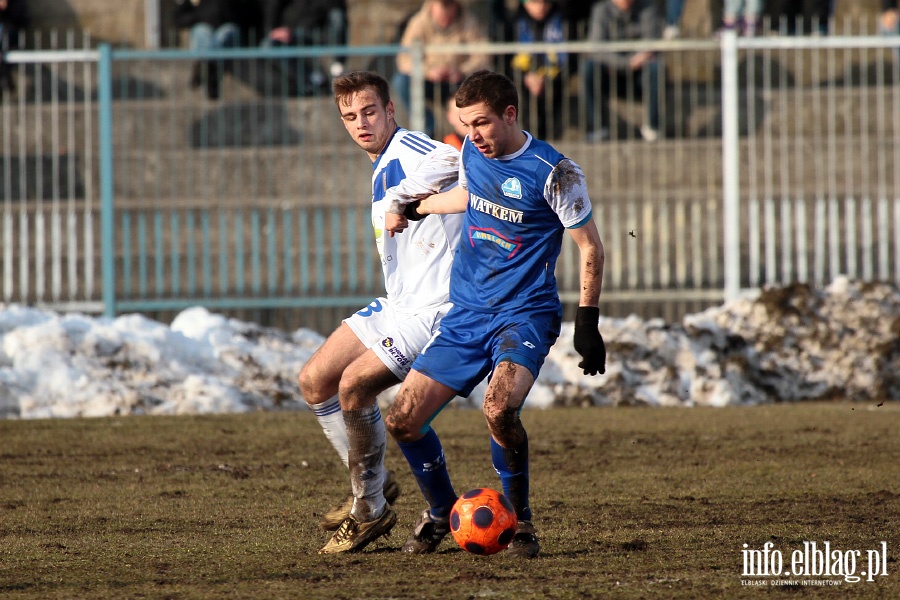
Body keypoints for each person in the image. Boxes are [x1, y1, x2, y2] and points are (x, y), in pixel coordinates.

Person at [382, 69, 607, 558]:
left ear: (510, 113)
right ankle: (441, 511)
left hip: (524, 315)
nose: (473, 135)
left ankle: (521, 521)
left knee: (499, 409)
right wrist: (418, 208)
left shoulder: (555, 172)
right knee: (401, 418)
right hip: (467, 313)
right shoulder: (470, 151)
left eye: (481, 123)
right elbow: (470, 195)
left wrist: (587, 322)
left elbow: (590, 247)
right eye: (466, 125)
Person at [298, 71, 464, 554]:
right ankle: (373, 487)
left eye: (370, 111)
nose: (361, 123)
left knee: (353, 386)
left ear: (390, 110)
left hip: (432, 309)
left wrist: (399, 198)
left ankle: (368, 510)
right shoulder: (380, 160)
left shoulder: (408, 147)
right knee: (314, 381)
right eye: (349, 116)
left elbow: (453, 155)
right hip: (398, 302)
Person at [391, 0, 489, 138]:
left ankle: (470, 130)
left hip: (459, 81)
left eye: (448, 16)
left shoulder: (469, 22)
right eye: (441, 17)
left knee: (480, 83)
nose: (444, 21)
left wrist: (462, 70)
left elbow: (483, 55)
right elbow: (404, 59)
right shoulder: (418, 23)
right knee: (401, 82)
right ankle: (428, 129)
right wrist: (428, 72)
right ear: (432, 8)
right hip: (428, 81)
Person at [582, 0, 664, 142]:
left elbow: (651, 42)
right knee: (588, 68)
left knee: (656, 67)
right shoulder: (601, 10)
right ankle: (598, 127)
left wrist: (636, 61)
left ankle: (652, 127)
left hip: (640, 71)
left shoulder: (648, 8)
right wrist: (624, 63)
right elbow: (596, 48)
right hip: (610, 72)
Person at [508, 0, 569, 141]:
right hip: (523, 77)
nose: (540, 7)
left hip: (553, 77)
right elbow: (509, 60)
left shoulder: (561, 21)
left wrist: (545, 77)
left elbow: (566, 61)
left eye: (545, 3)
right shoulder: (515, 23)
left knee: (552, 93)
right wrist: (526, 76)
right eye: (535, 2)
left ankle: (548, 138)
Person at [260, 0, 349, 94]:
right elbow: (273, 7)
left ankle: (337, 67)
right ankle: (316, 79)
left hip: (318, 33)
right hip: (290, 31)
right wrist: (275, 30)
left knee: (337, 15)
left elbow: (337, 11)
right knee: (268, 45)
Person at [173, 0, 250, 100]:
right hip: (206, 31)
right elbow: (179, 19)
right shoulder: (195, 2)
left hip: (227, 30)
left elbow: (248, 16)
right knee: (201, 30)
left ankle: (206, 66)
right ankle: (212, 70)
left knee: (226, 32)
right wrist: (196, 9)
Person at [0, 0, 28, 93]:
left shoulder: (16, 4)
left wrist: (6, 8)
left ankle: (4, 76)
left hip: (8, 35)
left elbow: (22, 20)